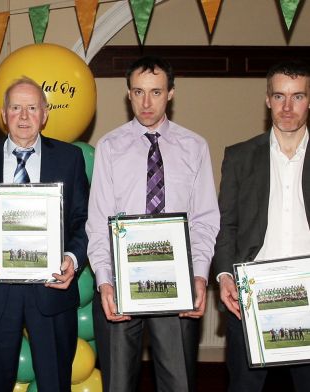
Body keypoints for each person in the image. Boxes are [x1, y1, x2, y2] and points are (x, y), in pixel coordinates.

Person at [86, 56, 220, 391]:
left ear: (171, 93)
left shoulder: (195, 146)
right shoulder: (109, 147)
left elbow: (205, 219)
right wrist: (105, 282)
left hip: (177, 285)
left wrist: (200, 276)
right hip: (120, 282)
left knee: (178, 383)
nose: (146, 103)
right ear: (127, 93)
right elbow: (98, 220)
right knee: (117, 384)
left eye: (156, 92)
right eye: (138, 92)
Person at [0, 77, 89, 391]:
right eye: (16, 107)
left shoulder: (69, 159)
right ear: (3, 114)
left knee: (56, 382)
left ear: (45, 114)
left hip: (52, 290)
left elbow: (84, 219)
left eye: (32, 108)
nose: (24, 116)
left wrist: (71, 258)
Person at [213, 60, 310, 391]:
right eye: (279, 96)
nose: (287, 107)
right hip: (251, 298)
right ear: (267, 99)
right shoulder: (239, 157)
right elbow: (226, 224)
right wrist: (225, 275)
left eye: (297, 96)